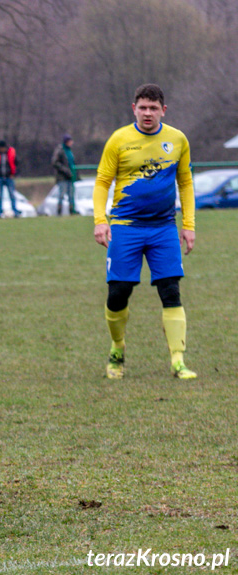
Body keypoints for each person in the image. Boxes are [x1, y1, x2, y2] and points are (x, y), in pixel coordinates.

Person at [93, 83, 197, 380]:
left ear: (163, 110)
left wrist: (188, 225)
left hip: (164, 227)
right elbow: (102, 182)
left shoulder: (177, 139)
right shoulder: (119, 140)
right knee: (119, 293)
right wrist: (100, 220)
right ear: (134, 109)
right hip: (125, 227)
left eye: (153, 108)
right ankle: (117, 349)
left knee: (170, 291)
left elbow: (186, 184)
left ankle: (178, 361)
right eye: (143, 107)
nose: (148, 113)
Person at [0, 140, 21, 218]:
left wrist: (14, 174)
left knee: (12, 195)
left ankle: (15, 211)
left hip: (9, 177)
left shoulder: (11, 153)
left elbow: (18, 164)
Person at [51, 133, 79, 215]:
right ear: (67, 141)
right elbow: (54, 162)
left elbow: (73, 163)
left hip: (71, 177)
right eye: (70, 141)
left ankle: (72, 211)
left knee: (71, 195)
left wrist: (76, 175)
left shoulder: (70, 151)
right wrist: (65, 171)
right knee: (61, 195)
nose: (72, 142)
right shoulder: (60, 150)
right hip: (62, 177)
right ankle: (59, 212)